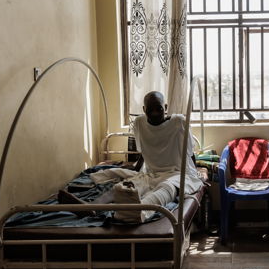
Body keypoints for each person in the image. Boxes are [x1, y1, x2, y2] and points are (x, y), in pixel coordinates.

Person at [59, 91, 201, 222]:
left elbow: (189, 152)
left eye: (159, 108)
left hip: (178, 173)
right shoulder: (139, 123)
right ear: (144, 110)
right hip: (152, 173)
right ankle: (90, 207)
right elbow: (145, 150)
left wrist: (195, 173)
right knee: (125, 186)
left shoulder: (178, 122)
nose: (155, 113)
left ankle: (139, 210)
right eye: (150, 110)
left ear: (166, 107)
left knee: (167, 188)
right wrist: (136, 170)